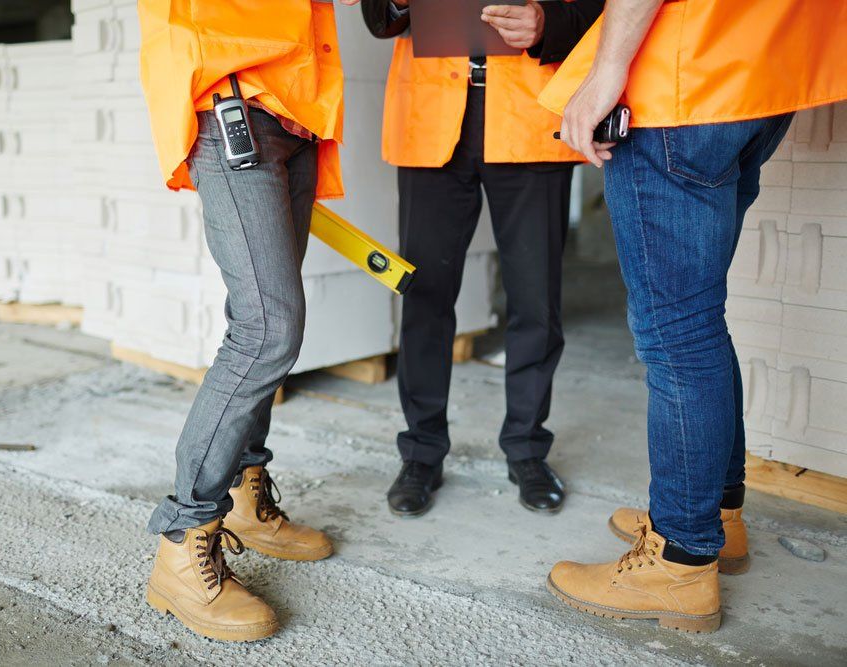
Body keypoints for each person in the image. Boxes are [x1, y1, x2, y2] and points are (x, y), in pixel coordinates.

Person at [539, 0, 847, 633]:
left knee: (677, 335)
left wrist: (605, 74)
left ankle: (680, 561)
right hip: (763, 80)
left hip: (688, 80)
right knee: (699, 320)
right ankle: (718, 517)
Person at [136, 0, 359, 642]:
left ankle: (243, 496)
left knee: (263, 321)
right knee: (267, 331)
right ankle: (183, 537)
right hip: (233, 99)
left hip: (296, 110)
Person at [361, 0, 603, 516]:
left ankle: (527, 450)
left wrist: (547, 22)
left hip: (532, 114)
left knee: (536, 301)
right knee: (425, 299)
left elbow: (602, 8)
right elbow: (379, 16)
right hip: (431, 117)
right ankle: (421, 453)